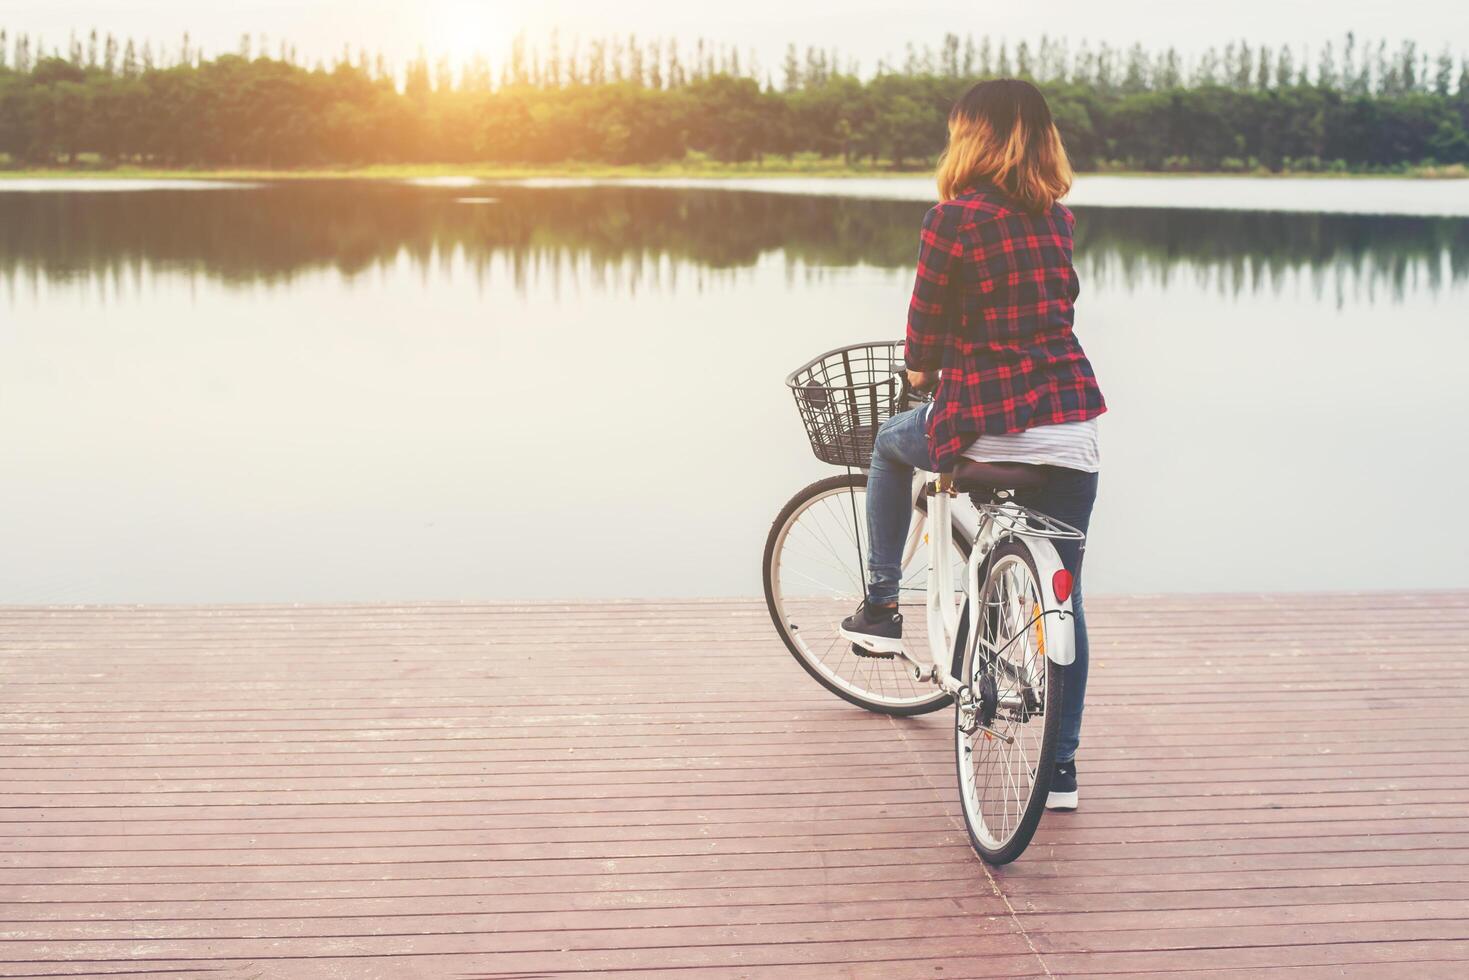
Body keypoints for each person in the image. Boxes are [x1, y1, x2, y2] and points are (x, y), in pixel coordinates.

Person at [838, 78, 1106, 811]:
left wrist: (921, 368)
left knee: (892, 447)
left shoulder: (952, 219)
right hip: (1070, 430)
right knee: (1067, 600)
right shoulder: (1056, 219)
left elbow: (922, 331)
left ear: (973, 137)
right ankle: (1060, 773)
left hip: (984, 423)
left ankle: (881, 605)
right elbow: (1056, 306)